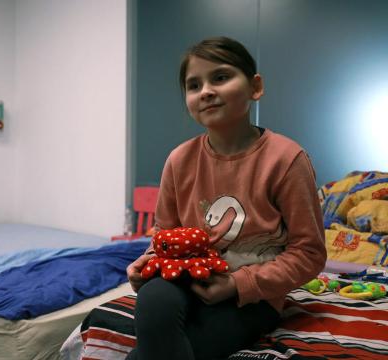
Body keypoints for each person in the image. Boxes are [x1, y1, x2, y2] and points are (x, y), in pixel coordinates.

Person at [126, 36, 327, 360]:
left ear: (255, 87)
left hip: (254, 296)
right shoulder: (179, 160)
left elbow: (309, 253)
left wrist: (237, 285)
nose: (205, 91)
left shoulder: (287, 160)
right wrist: (148, 262)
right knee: (152, 300)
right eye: (194, 85)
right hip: (185, 277)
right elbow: (163, 236)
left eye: (220, 77)